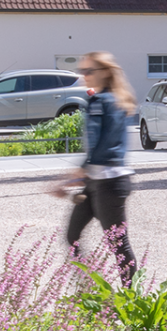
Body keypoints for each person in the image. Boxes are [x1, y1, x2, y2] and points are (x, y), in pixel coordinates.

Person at [52, 52, 139, 284]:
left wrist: (72, 178)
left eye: (89, 71)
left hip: (109, 183)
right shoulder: (113, 99)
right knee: (73, 236)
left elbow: (103, 147)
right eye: (82, 71)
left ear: (105, 72)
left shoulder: (103, 102)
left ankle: (133, 300)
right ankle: (91, 291)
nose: (84, 76)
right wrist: (79, 177)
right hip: (98, 181)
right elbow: (99, 149)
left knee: (119, 245)